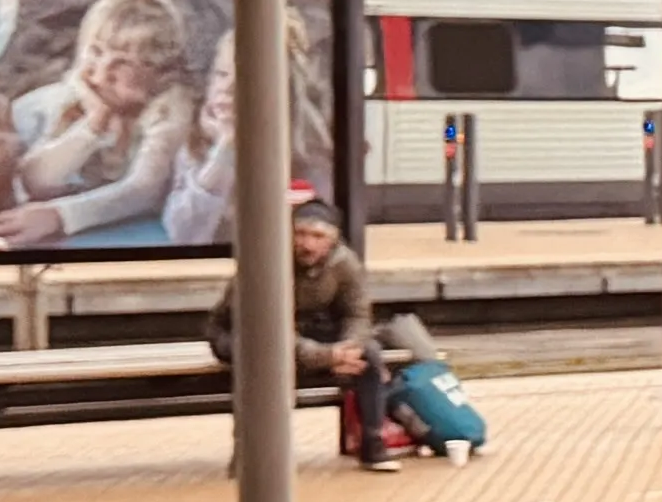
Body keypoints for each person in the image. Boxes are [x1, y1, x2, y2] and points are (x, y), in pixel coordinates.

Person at [202, 192, 486, 463]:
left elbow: (358, 314)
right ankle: (250, 455)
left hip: (306, 330)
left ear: (333, 240)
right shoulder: (265, 261)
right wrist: (328, 356)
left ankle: (372, 443)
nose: (307, 244)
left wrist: (349, 348)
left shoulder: (344, 263)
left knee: (369, 356)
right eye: (300, 234)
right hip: (242, 333)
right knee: (262, 360)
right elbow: (266, 331)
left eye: (317, 236)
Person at [0, 0, 202, 250]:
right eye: (96, 52)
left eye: (123, 63)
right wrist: (93, 124)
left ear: (159, 72)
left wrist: (60, 216)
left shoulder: (171, 107)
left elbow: (144, 190)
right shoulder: (67, 103)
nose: (101, 73)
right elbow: (36, 181)